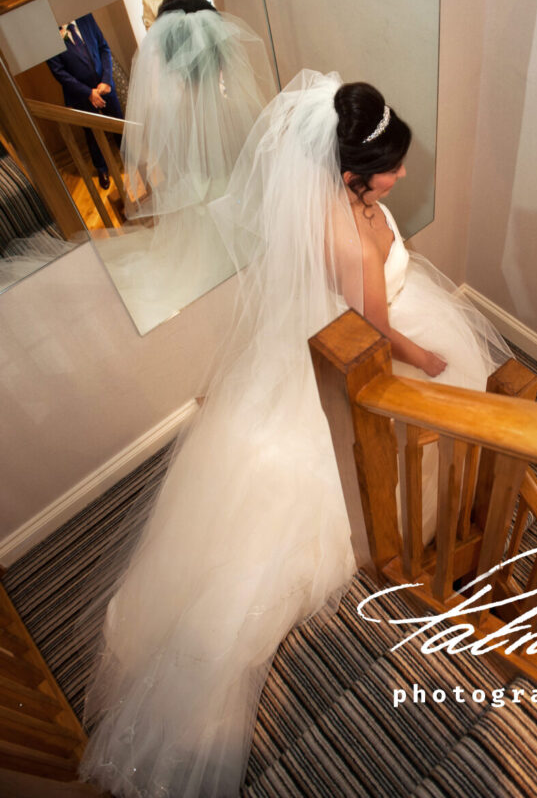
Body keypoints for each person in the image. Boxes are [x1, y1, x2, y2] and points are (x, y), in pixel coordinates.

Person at [79, 71, 511, 797]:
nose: (401, 175)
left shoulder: (334, 194)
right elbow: (379, 331)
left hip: (318, 330)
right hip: (377, 337)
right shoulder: (348, 242)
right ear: (349, 174)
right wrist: (428, 359)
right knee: (425, 429)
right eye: (389, 168)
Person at [90, 0, 274, 333]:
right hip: (239, 212)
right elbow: (258, 170)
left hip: (190, 212)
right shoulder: (241, 110)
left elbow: (166, 168)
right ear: (221, 57)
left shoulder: (160, 116)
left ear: (170, 60)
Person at [46, 14, 123, 189]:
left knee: (118, 121)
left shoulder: (85, 17)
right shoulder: (48, 36)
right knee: (92, 133)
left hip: (105, 86)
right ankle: (102, 169)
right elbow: (59, 72)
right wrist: (88, 93)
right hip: (81, 93)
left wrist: (106, 80)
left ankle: (127, 157)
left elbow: (104, 48)